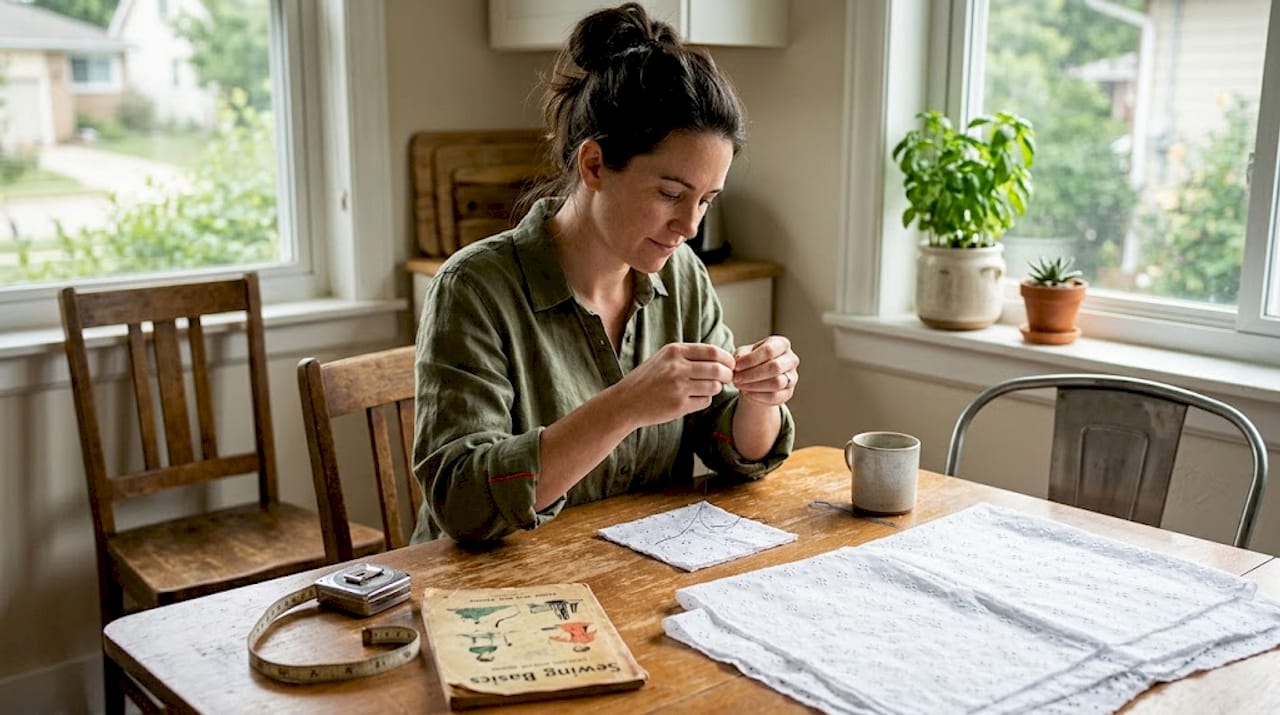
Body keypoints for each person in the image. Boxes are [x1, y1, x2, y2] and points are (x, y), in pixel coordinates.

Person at [410, 2, 799, 544]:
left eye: (707, 200)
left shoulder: (683, 277)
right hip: (490, 598)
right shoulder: (474, 289)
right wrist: (623, 406)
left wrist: (761, 398)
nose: (689, 226)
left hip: (629, 581)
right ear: (593, 166)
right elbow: (461, 501)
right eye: (670, 194)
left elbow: (729, 445)